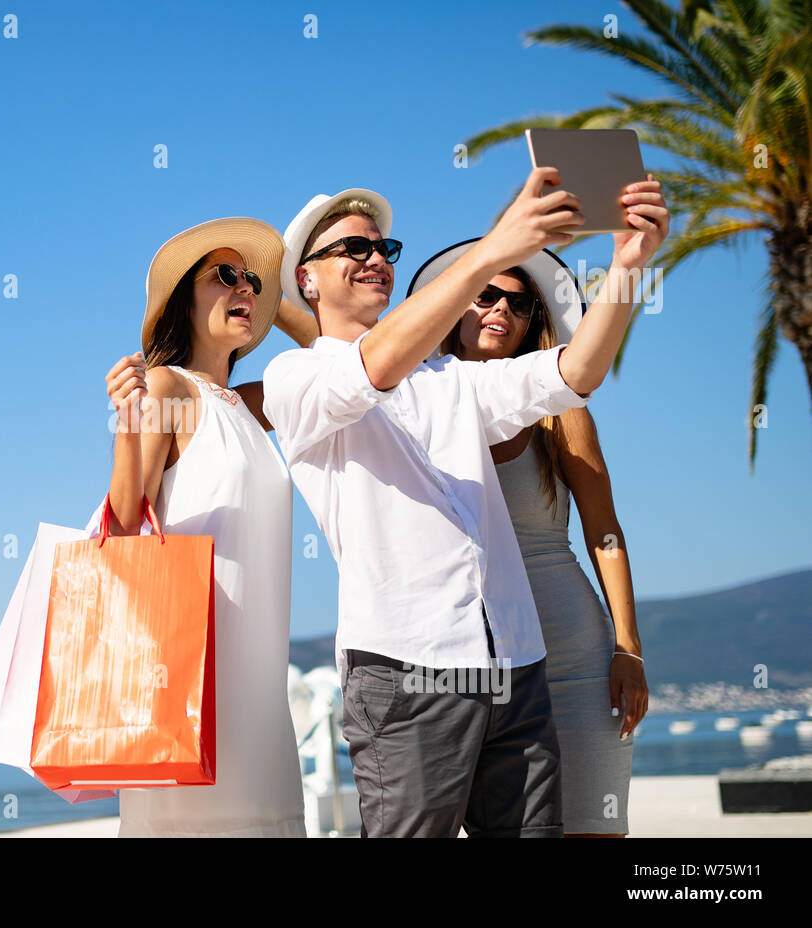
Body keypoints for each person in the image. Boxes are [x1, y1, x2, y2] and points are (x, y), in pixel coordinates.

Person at [261, 169, 668, 837]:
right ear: (306, 280)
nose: (374, 258)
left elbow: (578, 372)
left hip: (518, 664)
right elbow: (374, 368)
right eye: (352, 249)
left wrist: (628, 266)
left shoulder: (450, 381)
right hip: (407, 671)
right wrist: (494, 249)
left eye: (382, 249)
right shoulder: (295, 377)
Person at [408, 239, 649, 836]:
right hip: (468, 663)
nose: (501, 311)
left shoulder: (557, 411)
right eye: (485, 294)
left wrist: (628, 647)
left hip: (573, 657)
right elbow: (327, 353)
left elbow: (605, 532)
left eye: (520, 306)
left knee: (595, 827)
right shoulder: (411, 403)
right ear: (454, 305)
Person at [103, 217, 315, 837]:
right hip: (189, 677)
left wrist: (262, 297)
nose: (243, 288)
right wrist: (126, 422)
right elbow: (121, 529)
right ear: (180, 300)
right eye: (224, 275)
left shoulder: (251, 404)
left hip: (258, 687)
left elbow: (336, 362)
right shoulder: (167, 386)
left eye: (251, 279)